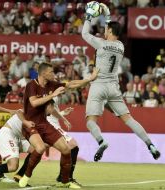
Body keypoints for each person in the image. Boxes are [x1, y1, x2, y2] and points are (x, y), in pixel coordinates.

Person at [82, 2, 160, 162]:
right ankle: (150, 144)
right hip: (113, 88)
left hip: (98, 85)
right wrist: (107, 14)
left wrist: (89, 16)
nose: (104, 31)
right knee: (129, 119)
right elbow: (110, 29)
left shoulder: (101, 44)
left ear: (109, 31)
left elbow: (84, 34)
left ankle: (101, 141)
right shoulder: (121, 46)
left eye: (106, 29)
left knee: (90, 122)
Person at [19, 62, 99, 188]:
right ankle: (26, 176)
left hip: (44, 124)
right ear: (44, 73)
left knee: (66, 149)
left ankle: (65, 181)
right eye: (51, 72)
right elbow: (34, 103)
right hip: (30, 124)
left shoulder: (52, 84)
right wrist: (53, 95)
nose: (53, 74)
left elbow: (72, 84)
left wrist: (90, 79)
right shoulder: (31, 85)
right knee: (40, 149)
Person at [46, 97, 80, 185]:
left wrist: (63, 113)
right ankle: (67, 177)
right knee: (73, 145)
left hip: (53, 124)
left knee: (68, 148)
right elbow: (49, 112)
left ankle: (63, 176)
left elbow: (52, 113)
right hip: (52, 125)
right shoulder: (52, 94)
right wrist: (64, 119)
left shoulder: (55, 95)